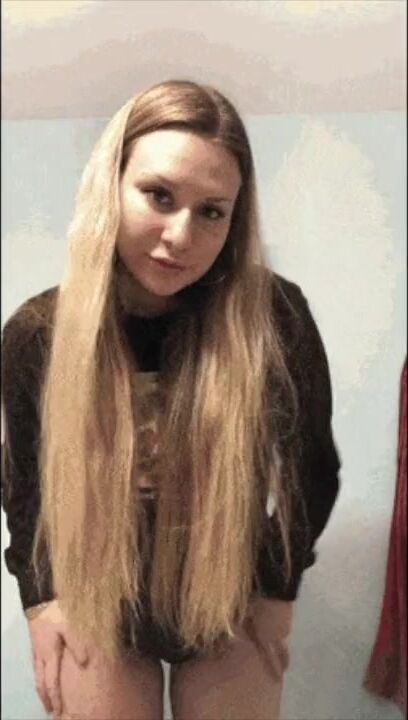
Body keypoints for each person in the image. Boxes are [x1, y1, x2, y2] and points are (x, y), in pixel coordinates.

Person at [1, 79, 341, 720]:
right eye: (159, 195)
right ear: (110, 187)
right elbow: (25, 486)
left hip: (229, 595)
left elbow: (310, 468)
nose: (181, 234)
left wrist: (278, 588)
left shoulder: (273, 316)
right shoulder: (38, 334)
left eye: (211, 211)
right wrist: (40, 601)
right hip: (99, 594)